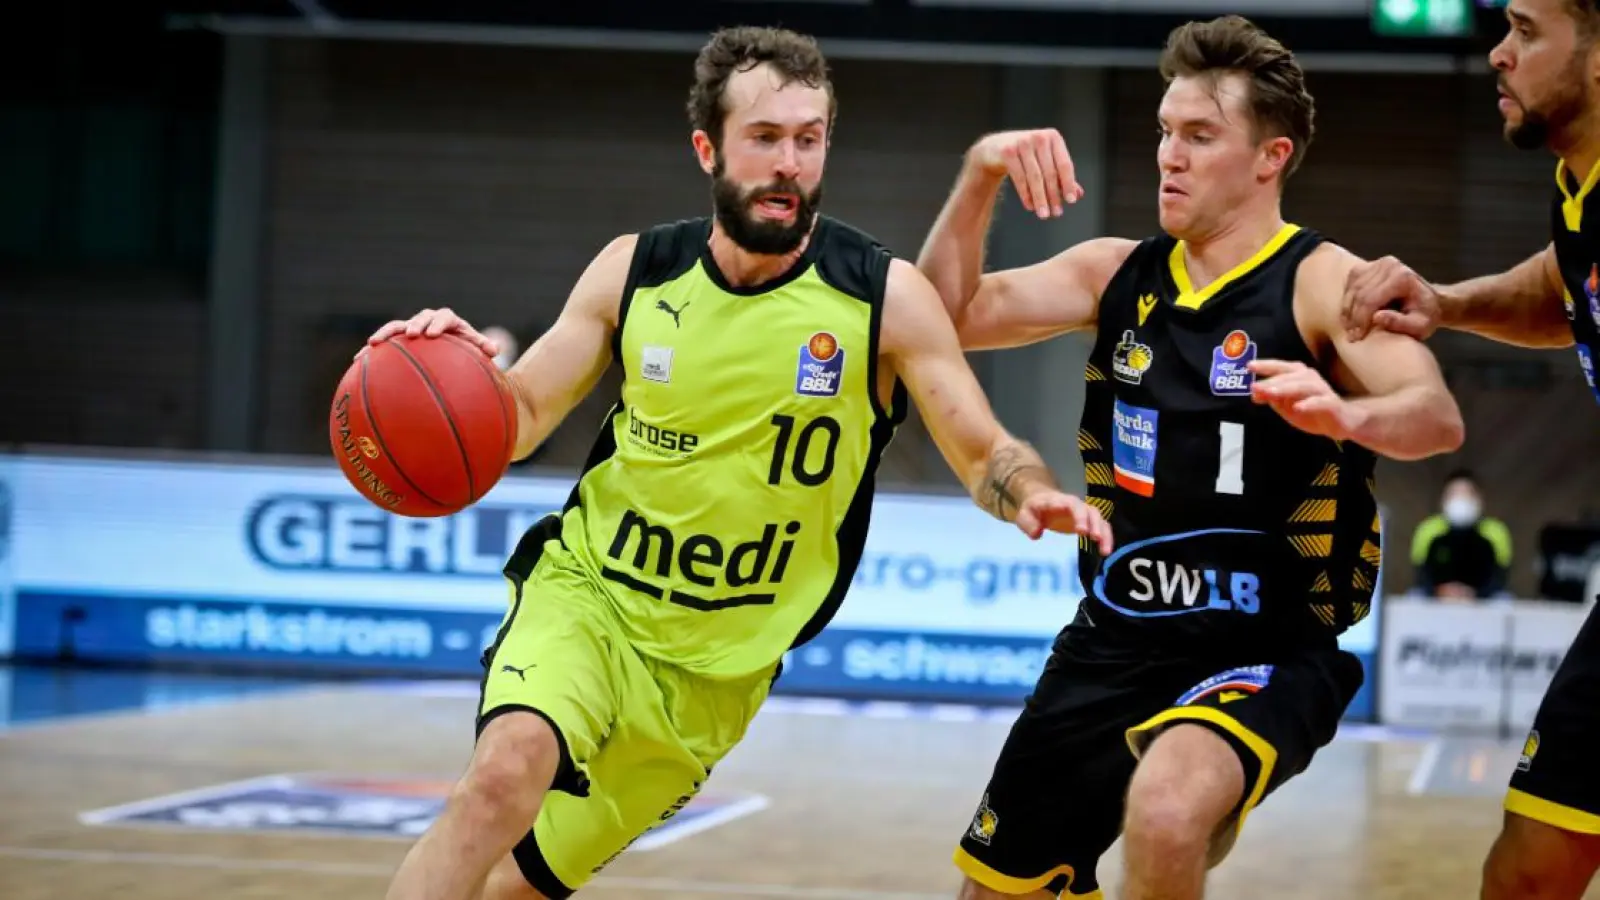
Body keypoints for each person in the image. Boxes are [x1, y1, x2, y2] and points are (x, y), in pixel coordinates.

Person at [365, 25, 1112, 900]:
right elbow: (520, 414)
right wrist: (465, 377)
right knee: (501, 779)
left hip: (714, 681)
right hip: (591, 601)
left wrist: (1029, 491)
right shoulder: (634, 272)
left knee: (517, 890)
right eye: (764, 139)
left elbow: (984, 447)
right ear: (707, 148)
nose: (789, 162)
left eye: (808, 138)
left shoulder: (881, 297)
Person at [916, 15, 1465, 900]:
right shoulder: (1116, 272)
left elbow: (1433, 416)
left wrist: (1350, 416)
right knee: (993, 892)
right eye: (1166, 132)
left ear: (1269, 157)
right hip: (1115, 637)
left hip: (1269, 643)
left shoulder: (1323, 281)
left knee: (1167, 808)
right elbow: (939, 318)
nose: (1169, 154)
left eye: (1200, 136)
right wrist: (983, 173)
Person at [1341, 1, 1600, 895]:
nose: (1497, 53)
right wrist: (1445, 303)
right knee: (1530, 864)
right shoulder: (1583, 189)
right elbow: (1561, 288)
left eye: (1526, 30)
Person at [1410, 468, 1513, 601]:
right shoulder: (1427, 530)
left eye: (1467, 494)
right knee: (1414, 597)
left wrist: (1474, 594)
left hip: (1483, 598)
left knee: (1504, 600)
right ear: (1443, 499)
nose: (1461, 499)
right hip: (1436, 596)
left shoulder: (1496, 531)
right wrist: (1441, 591)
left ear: (1480, 499)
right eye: (1454, 494)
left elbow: (1499, 578)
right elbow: (1421, 575)